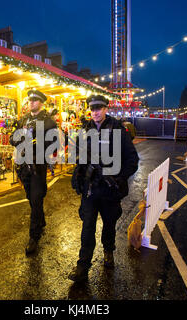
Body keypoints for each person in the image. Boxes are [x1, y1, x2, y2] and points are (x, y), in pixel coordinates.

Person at [68, 95, 139, 282]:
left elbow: (133, 161)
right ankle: (82, 265)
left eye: (98, 108)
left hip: (109, 191)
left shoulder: (118, 130)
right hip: (91, 189)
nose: (95, 112)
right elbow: (80, 157)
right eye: (92, 109)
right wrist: (78, 175)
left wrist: (119, 177)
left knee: (109, 225)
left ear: (106, 109)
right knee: (87, 226)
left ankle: (108, 251)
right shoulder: (85, 130)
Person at [10, 89, 57, 255]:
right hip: (24, 166)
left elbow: (54, 143)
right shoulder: (23, 119)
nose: (31, 103)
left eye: (35, 100)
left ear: (41, 103)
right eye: (30, 100)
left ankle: (34, 237)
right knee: (31, 197)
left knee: (36, 198)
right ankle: (41, 221)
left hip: (38, 166)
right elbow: (12, 138)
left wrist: (34, 145)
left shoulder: (49, 122)